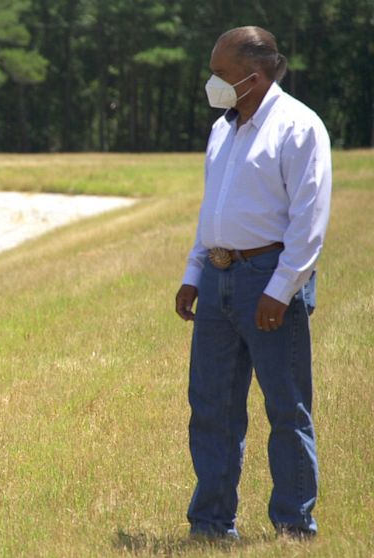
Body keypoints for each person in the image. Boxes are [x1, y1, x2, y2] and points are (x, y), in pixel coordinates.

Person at [174, 26, 331, 540]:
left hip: (267, 281)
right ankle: (212, 523)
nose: (212, 83)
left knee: (286, 407)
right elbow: (212, 210)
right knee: (212, 407)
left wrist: (280, 289)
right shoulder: (223, 129)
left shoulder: (298, 127)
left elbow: (309, 222)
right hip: (217, 279)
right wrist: (193, 273)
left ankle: (293, 524)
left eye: (220, 74)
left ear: (253, 77)